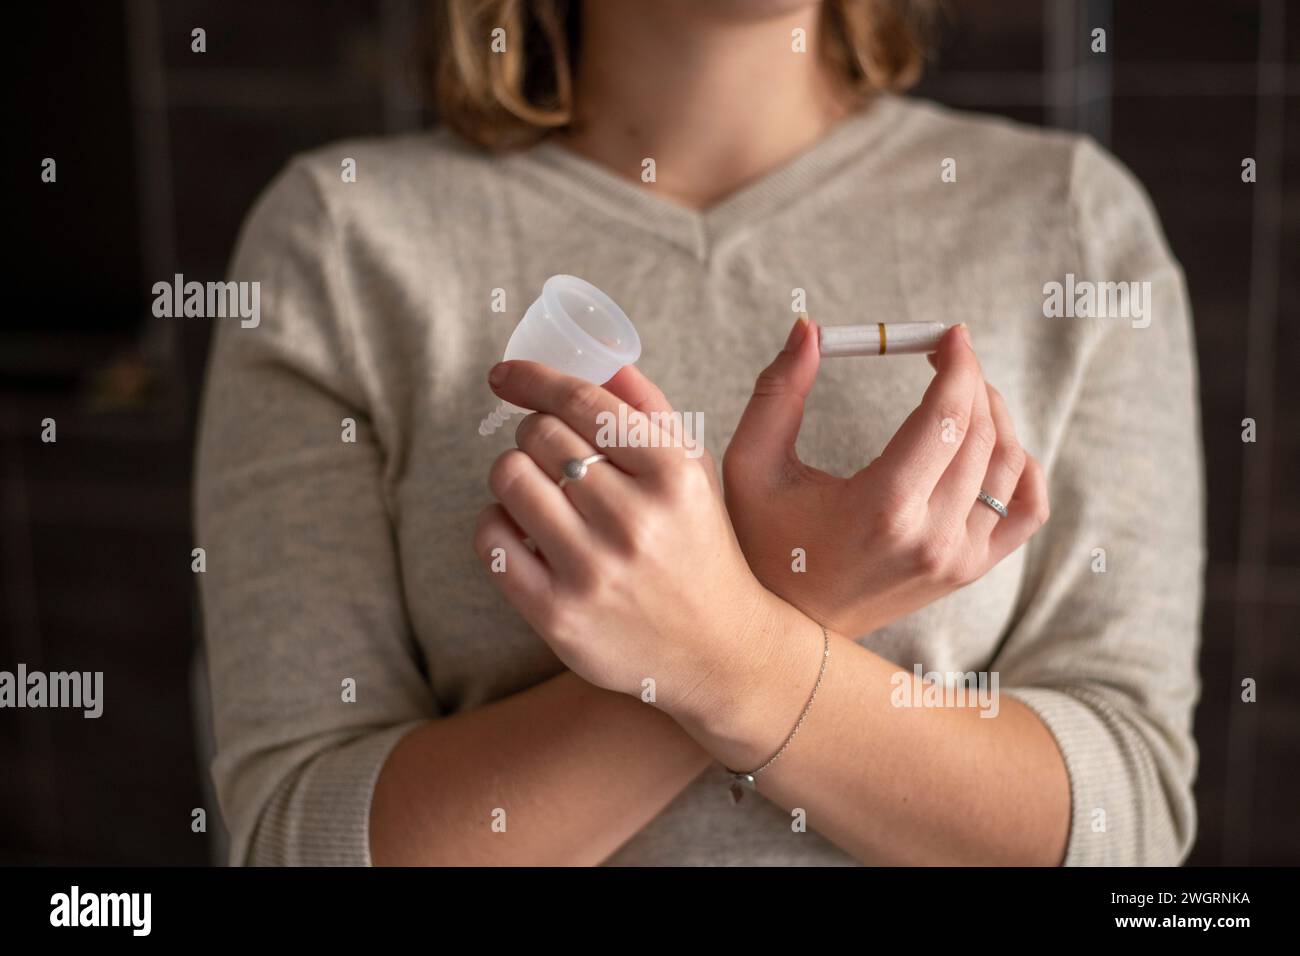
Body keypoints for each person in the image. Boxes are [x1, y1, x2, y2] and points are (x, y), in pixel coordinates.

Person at [195, 0, 1204, 866]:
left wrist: (733, 637)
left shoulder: (1070, 223)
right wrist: (786, 602)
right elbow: (297, 833)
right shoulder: (340, 239)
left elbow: (1131, 820)